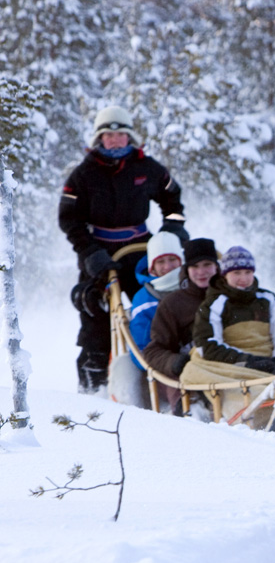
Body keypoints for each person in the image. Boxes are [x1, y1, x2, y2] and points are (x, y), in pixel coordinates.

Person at [60, 105, 189, 393]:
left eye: (120, 134)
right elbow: (69, 219)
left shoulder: (147, 167)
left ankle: (168, 377)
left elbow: (173, 200)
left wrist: (173, 230)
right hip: (100, 255)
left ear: (130, 137)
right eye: (108, 135)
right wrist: (89, 252)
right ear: (100, 139)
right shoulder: (83, 174)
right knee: (95, 321)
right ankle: (92, 391)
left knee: (160, 308)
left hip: (141, 250)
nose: (115, 140)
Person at [180, 246, 275, 425]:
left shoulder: (267, 299)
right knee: (202, 368)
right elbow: (207, 344)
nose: (243, 278)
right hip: (235, 365)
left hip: (272, 358)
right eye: (237, 273)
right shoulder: (214, 304)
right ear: (225, 275)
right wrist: (249, 361)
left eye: (248, 272)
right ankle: (264, 413)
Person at [142, 238, 220, 414]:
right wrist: (176, 362)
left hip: (230, 365)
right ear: (186, 269)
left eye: (207, 265)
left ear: (216, 266)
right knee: (191, 408)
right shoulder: (173, 304)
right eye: (195, 266)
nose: (201, 272)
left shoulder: (230, 295)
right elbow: (153, 351)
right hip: (190, 371)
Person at [129, 231, 184, 360]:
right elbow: (141, 350)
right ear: (152, 267)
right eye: (160, 262)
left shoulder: (194, 286)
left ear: (181, 261)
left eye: (172, 259)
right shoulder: (143, 301)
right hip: (163, 362)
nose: (168, 266)